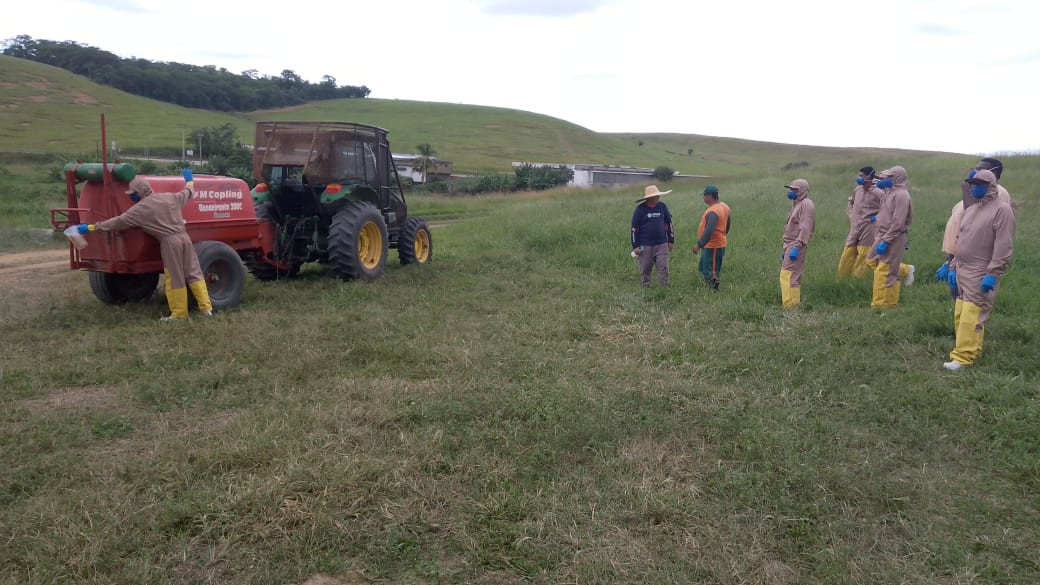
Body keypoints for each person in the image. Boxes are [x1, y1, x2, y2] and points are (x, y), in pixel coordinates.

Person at [75, 169, 213, 321]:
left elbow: (117, 222)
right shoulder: (169, 198)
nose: (132, 196)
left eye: (132, 193)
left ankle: (179, 313)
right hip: (184, 238)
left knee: (175, 277)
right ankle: (206, 308)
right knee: (194, 272)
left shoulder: (140, 209)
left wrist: (91, 227)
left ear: (139, 192)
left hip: (169, 242)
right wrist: (190, 180)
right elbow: (188, 192)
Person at [943, 169, 1015, 371]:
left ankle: (963, 358)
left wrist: (993, 274)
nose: (974, 187)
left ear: (991, 186)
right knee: (959, 313)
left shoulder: (1002, 210)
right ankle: (971, 349)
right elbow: (961, 239)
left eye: (979, 184)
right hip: (962, 269)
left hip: (981, 270)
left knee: (971, 315)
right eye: (972, 184)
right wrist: (952, 265)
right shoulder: (971, 209)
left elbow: (1003, 246)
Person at [936, 157, 1013, 286]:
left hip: (977, 262)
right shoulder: (974, 195)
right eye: (975, 168)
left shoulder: (999, 194)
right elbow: (963, 229)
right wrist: (949, 261)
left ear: (993, 173)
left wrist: (992, 272)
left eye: (980, 169)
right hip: (959, 257)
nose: (975, 171)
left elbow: (982, 230)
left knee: (974, 300)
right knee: (960, 297)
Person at [866, 166, 915, 308]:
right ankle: (905, 270)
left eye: (885, 178)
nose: (882, 181)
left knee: (883, 270)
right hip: (882, 235)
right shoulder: (888, 192)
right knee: (871, 261)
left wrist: (886, 240)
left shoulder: (902, 195)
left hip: (893, 236)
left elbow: (898, 222)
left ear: (896, 178)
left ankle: (881, 304)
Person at [837, 167, 881, 278]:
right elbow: (851, 202)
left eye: (861, 176)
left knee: (863, 255)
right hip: (855, 227)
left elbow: (888, 209)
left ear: (869, 176)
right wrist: (851, 214)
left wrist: (877, 218)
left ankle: (856, 280)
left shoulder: (878, 193)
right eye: (859, 175)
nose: (859, 178)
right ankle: (842, 279)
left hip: (868, 228)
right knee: (847, 253)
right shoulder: (857, 190)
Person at [779, 179, 815, 308]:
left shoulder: (806, 204)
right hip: (790, 243)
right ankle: (794, 304)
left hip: (796, 244)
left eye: (794, 190)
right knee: (793, 276)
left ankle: (788, 305)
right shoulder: (797, 203)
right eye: (790, 189)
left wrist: (797, 245)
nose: (791, 192)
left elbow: (805, 227)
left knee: (786, 274)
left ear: (802, 191)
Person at [631, 184, 674, 287]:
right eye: (656, 196)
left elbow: (669, 223)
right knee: (645, 268)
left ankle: (664, 287)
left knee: (663, 267)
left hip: (662, 244)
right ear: (649, 198)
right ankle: (646, 287)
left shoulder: (662, 207)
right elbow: (634, 229)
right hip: (645, 245)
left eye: (658, 195)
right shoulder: (640, 210)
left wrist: (671, 240)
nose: (658, 197)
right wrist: (635, 246)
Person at [691, 184, 731, 291]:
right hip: (713, 244)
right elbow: (728, 225)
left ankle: (713, 292)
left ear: (710, 196)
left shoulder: (713, 211)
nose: (703, 197)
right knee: (704, 267)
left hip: (713, 245)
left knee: (712, 271)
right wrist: (722, 235)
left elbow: (709, 230)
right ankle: (708, 288)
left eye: (704, 195)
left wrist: (699, 245)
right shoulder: (724, 206)